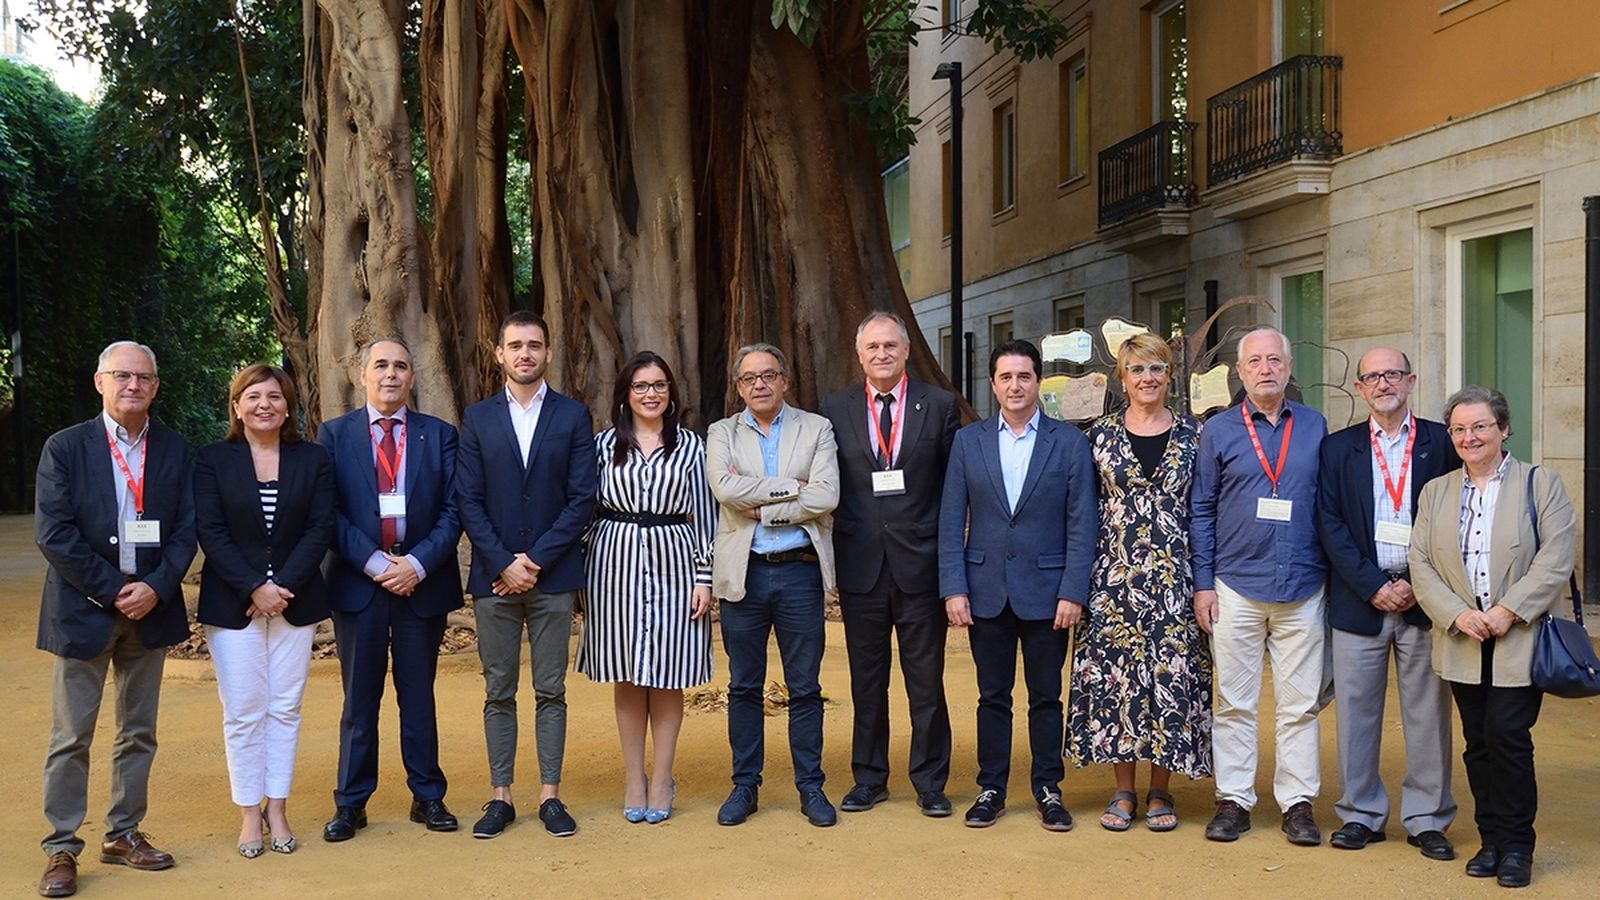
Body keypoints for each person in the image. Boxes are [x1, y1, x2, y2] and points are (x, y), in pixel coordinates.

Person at [35, 341, 198, 898]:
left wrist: (155, 587)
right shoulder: (65, 448)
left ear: (155, 387)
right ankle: (61, 846)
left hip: (150, 610)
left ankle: (123, 833)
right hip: (83, 611)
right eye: (121, 375)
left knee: (139, 731)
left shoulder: (175, 450)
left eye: (143, 377)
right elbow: (54, 533)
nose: (133, 385)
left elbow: (187, 529)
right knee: (71, 733)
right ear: (99, 381)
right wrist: (113, 591)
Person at [1410, 386, 1576, 890]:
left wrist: (1509, 610)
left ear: (1503, 428)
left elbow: (1557, 555)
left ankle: (1517, 846)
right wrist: (1458, 614)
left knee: (1507, 737)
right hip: (1462, 636)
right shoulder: (1436, 491)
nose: (1469, 437)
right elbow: (1421, 563)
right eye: (1459, 429)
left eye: (1480, 426)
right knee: (1477, 742)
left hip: (1518, 636)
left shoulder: (1540, 483)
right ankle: (1490, 841)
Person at [939, 339, 1097, 832]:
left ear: (1038, 382)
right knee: (993, 696)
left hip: (1049, 594)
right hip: (984, 589)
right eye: (1005, 377)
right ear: (992, 385)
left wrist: (1074, 590)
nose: (1015, 385)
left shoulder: (1068, 442)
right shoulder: (969, 441)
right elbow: (950, 520)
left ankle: (1049, 788)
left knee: (1047, 696)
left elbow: (1082, 522)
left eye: (1024, 376)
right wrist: (953, 587)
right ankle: (992, 787)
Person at [456, 311, 597, 839]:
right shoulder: (478, 418)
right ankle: (500, 797)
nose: (525, 354)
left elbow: (582, 497)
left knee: (550, 689)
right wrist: (502, 563)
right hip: (494, 581)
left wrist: (533, 562)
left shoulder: (572, 416)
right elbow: (467, 499)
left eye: (534, 345)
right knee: (497, 690)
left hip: (552, 578)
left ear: (548, 353)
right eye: (515, 345)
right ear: (499, 354)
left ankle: (550, 797)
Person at [318, 338, 465, 842]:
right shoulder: (333, 436)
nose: (390, 374)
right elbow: (328, 513)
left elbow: (455, 509)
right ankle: (351, 803)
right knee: (359, 699)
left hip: (420, 585)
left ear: (412, 378)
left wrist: (418, 565)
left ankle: (428, 796)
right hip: (361, 584)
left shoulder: (440, 435)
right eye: (380, 365)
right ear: (362, 374)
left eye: (400, 366)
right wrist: (378, 562)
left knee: (418, 695)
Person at [1316, 348, 1460, 859]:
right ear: (1359, 388)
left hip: (1426, 601)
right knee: (1356, 713)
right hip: (1362, 599)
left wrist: (1419, 585)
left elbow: (1454, 521)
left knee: (1427, 715)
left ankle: (1427, 817)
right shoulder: (1337, 449)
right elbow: (1329, 524)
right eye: (1373, 376)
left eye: (1392, 374)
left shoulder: (1443, 443)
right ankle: (1360, 814)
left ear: (1411, 379)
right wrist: (1374, 585)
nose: (1383, 383)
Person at [1067, 333, 1211, 832]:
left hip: (1175, 579)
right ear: (1121, 379)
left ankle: (1160, 790)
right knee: (1117, 684)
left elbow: (1204, 512)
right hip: (1112, 579)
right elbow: (1081, 513)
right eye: (1137, 370)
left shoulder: (1196, 436)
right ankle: (1123, 790)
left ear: (1169, 376)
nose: (1147, 379)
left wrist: (1205, 583)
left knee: (1170, 681)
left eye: (1156, 369)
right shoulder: (1098, 437)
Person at [1191, 326, 1329, 846]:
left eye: (1275, 359)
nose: (1266, 369)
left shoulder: (1317, 427)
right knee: (1234, 701)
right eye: (1256, 361)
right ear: (1240, 371)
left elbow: (1329, 507)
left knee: (1300, 704)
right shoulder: (1219, 432)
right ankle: (1234, 800)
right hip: (1236, 586)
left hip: (1304, 586)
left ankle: (1297, 804)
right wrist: (1204, 584)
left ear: (1289, 367)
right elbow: (1201, 509)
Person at [820, 312, 959, 818]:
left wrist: (949, 565)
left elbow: (953, 488)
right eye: (872, 347)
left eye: (890, 346)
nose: (881, 354)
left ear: (906, 351)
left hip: (921, 566)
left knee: (926, 680)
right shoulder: (834, 409)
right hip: (862, 566)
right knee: (866, 680)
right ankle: (869, 778)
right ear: (859, 355)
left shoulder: (939, 405)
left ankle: (930, 782)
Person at [193, 364, 335, 858]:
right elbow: (210, 531)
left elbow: (320, 528)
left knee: (285, 707)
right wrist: (255, 587)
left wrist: (282, 587)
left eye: (274, 396)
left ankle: (278, 805)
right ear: (237, 407)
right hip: (234, 605)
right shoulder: (213, 461)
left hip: (295, 604)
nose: (264, 404)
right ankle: (249, 813)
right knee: (244, 710)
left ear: (288, 406)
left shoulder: (312, 460)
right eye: (252, 396)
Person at [577, 351, 715, 824]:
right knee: (630, 671)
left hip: (675, 557)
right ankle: (634, 776)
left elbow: (706, 516)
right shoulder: (601, 446)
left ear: (671, 392)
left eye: (659, 385)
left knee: (668, 671)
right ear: (625, 394)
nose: (651, 394)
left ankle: (662, 777)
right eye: (640, 386)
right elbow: (584, 508)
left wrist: (704, 576)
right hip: (613, 562)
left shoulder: (693, 448)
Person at [706, 343, 840, 828]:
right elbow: (724, 488)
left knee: (805, 686)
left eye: (768, 375)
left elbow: (827, 495)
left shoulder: (816, 428)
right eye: (748, 378)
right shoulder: (721, 432)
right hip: (744, 574)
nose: (759, 384)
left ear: (785, 380)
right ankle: (745, 785)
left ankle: (811, 787)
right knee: (744, 686)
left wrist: (762, 504)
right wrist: (792, 488)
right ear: (738, 387)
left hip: (800, 572)